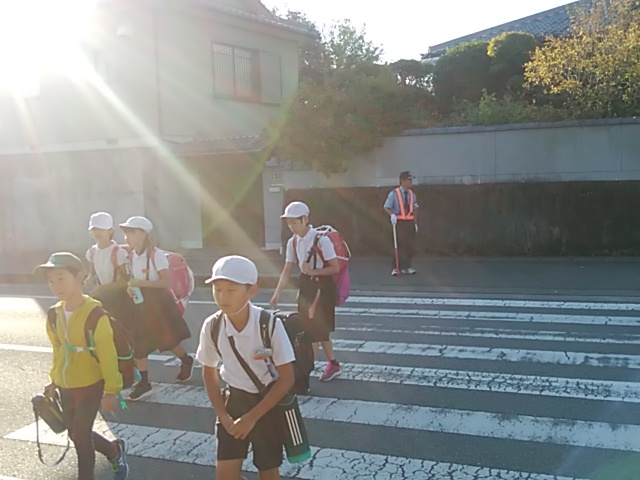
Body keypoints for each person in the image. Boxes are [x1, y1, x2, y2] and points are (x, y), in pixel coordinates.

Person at [196, 255, 295, 480]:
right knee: (225, 475)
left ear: (252, 291)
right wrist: (222, 414)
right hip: (233, 402)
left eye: (231, 290)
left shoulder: (268, 324)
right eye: (217, 290)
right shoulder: (212, 325)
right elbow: (209, 371)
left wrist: (252, 417)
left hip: (266, 404)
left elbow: (287, 377)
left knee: (268, 472)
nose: (222, 297)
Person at [34, 252, 129, 480]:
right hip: (66, 385)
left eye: (61, 278)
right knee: (75, 433)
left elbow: (107, 354)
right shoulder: (54, 314)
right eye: (51, 281)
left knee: (82, 437)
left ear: (79, 277)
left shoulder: (95, 315)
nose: (55, 285)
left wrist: (111, 390)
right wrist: (54, 381)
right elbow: (58, 350)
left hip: (90, 383)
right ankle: (113, 450)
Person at [118, 216, 194, 401]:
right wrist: (131, 288)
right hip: (141, 303)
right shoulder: (132, 255)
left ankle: (186, 359)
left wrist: (140, 283)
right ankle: (144, 382)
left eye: (131, 232)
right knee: (139, 342)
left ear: (142, 234)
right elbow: (134, 279)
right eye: (126, 232)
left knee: (167, 340)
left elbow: (165, 283)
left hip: (158, 304)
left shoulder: (156, 255)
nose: (127, 237)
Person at [270, 201, 342, 382]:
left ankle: (305, 371)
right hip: (306, 286)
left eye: (294, 222)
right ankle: (332, 364)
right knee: (313, 329)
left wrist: (312, 272)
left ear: (305, 219)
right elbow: (287, 269)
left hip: (322, 287)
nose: (291, 226)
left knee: (315, 331)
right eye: (289, 223)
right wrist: (277, 292)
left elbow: (335, 267)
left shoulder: (321, 240)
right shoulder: (293, 241)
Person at [85, 212, 133, 324]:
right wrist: (90, 279)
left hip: (118, 300)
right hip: (100, 297)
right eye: (94, 229)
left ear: (110, 231)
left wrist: (102, 289)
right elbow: (92, 274)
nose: (97, 232)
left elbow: (125, 281)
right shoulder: (92, 252)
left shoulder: (119, 253)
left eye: (101, 229)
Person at [384, 171, 419, 276]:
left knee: (409, 245)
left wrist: (415, 223)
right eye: (408, 180)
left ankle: (407, 266)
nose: (410, 182)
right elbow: (387, 207)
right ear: (402, 181)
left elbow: (415, 209)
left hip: (409, 222)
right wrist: (392, 215)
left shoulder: (412, 194)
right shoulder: (394, 194)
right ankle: (396, 267)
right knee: (399, 245)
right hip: (399, 222)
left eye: (411, 180)